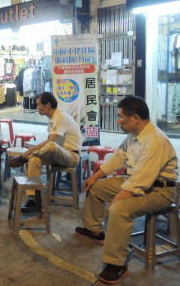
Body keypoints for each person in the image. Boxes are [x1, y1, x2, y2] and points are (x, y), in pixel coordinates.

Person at [75, 96, 177, 284]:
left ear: (135, 118)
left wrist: (116, 200)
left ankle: (117, 264)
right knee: (96, 187)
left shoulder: (155, 141)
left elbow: (141, 181)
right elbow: (117, 159)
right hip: (137, 182)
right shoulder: (133, 136)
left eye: (121, 117)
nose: (118, 120)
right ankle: (94, 230)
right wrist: (94, 177)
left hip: (160, 192)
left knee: (118, 210)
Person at [9, 91, 82, 211]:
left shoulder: (60, 116)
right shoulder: (52, 117)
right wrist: (32, 152)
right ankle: (34, 199)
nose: (37, 108)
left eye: (38, 105)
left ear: (47, 105)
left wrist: (30, 150)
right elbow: (48, 140)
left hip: (71, 156)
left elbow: (50, 143)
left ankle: (26, 156)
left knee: (51, 146)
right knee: (34, 160)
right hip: (57, 154)